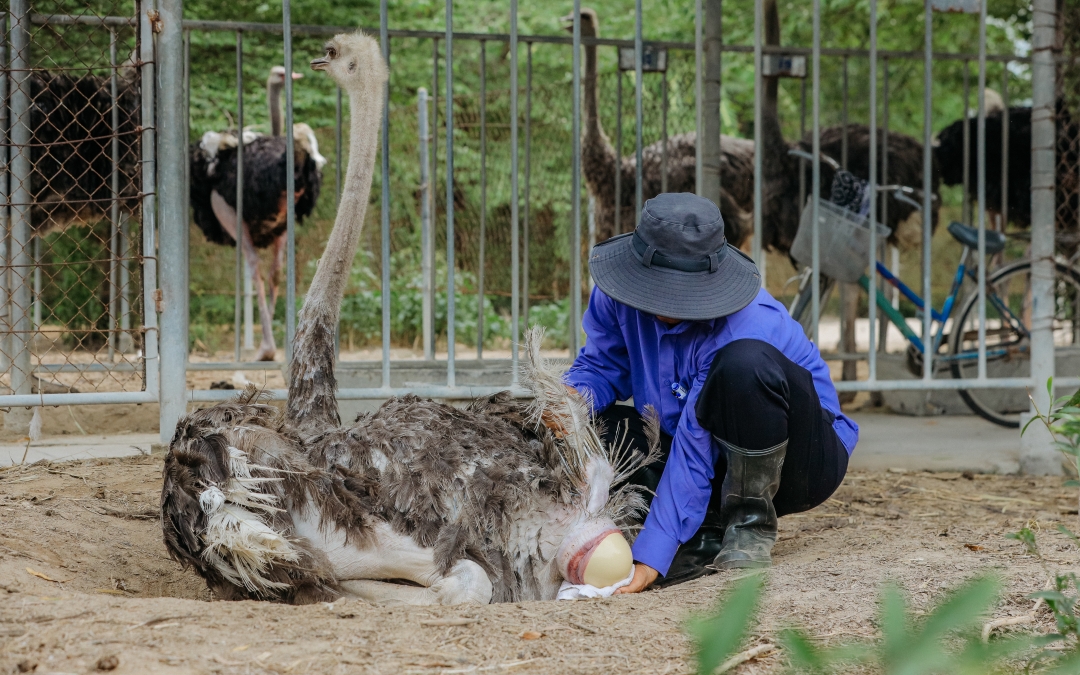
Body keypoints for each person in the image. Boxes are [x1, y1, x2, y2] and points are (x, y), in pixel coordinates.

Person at [562, 192, 858, 594]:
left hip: (800, 461)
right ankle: (704, 527)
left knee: (744, 366)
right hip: (701, 444)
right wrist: (566, 405)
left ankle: (747, 527)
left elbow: (694, 444)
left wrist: (651, 560)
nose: (664, 301)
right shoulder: (615, 296)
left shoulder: (748, 323)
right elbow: (601, 366)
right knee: (599, 427)